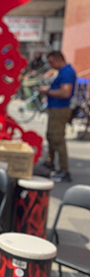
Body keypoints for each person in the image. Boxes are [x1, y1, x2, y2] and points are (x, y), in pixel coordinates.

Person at [39, 51, 76, 183]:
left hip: (61, 109)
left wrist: (47, 91)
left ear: (58, 59)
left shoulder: (67, 72)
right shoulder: (62, 71)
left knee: (58, 139)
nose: (50, 65)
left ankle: (64, 170)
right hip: (55, 108)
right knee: (51, 136)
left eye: (51, 62)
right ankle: (50, 162)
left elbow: (65, 92)